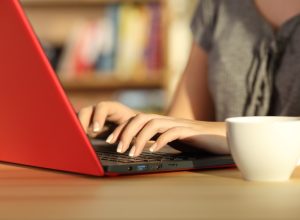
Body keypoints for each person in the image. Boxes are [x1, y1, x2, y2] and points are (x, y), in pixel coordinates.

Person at [78, 0, 300, 158]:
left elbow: (197, 128)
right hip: (221, 190)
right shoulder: (218, 6)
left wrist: (219, 133)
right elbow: (184, 122)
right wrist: (141, 126)